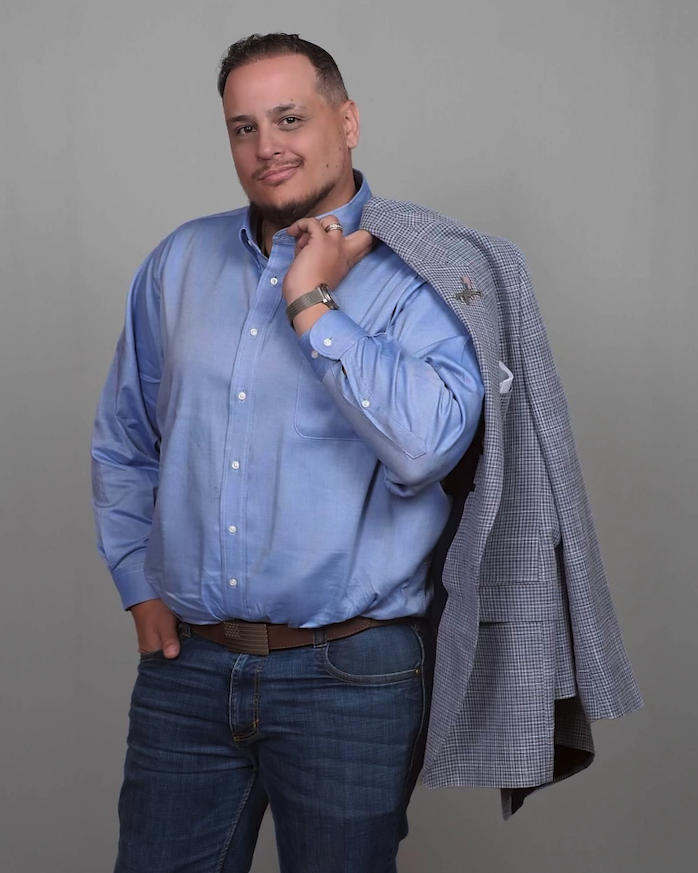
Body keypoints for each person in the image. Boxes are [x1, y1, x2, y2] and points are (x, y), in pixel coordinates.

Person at [92, 32, 486, 873]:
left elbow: (425, 449)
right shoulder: (177, 264)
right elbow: (127, 440)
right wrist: (137, 581)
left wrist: (310, 301)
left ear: (346, 122)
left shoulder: (426, 275)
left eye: (289, 117)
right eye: (243, 127)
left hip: (352, 673)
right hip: (186, 669)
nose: (267, 146)